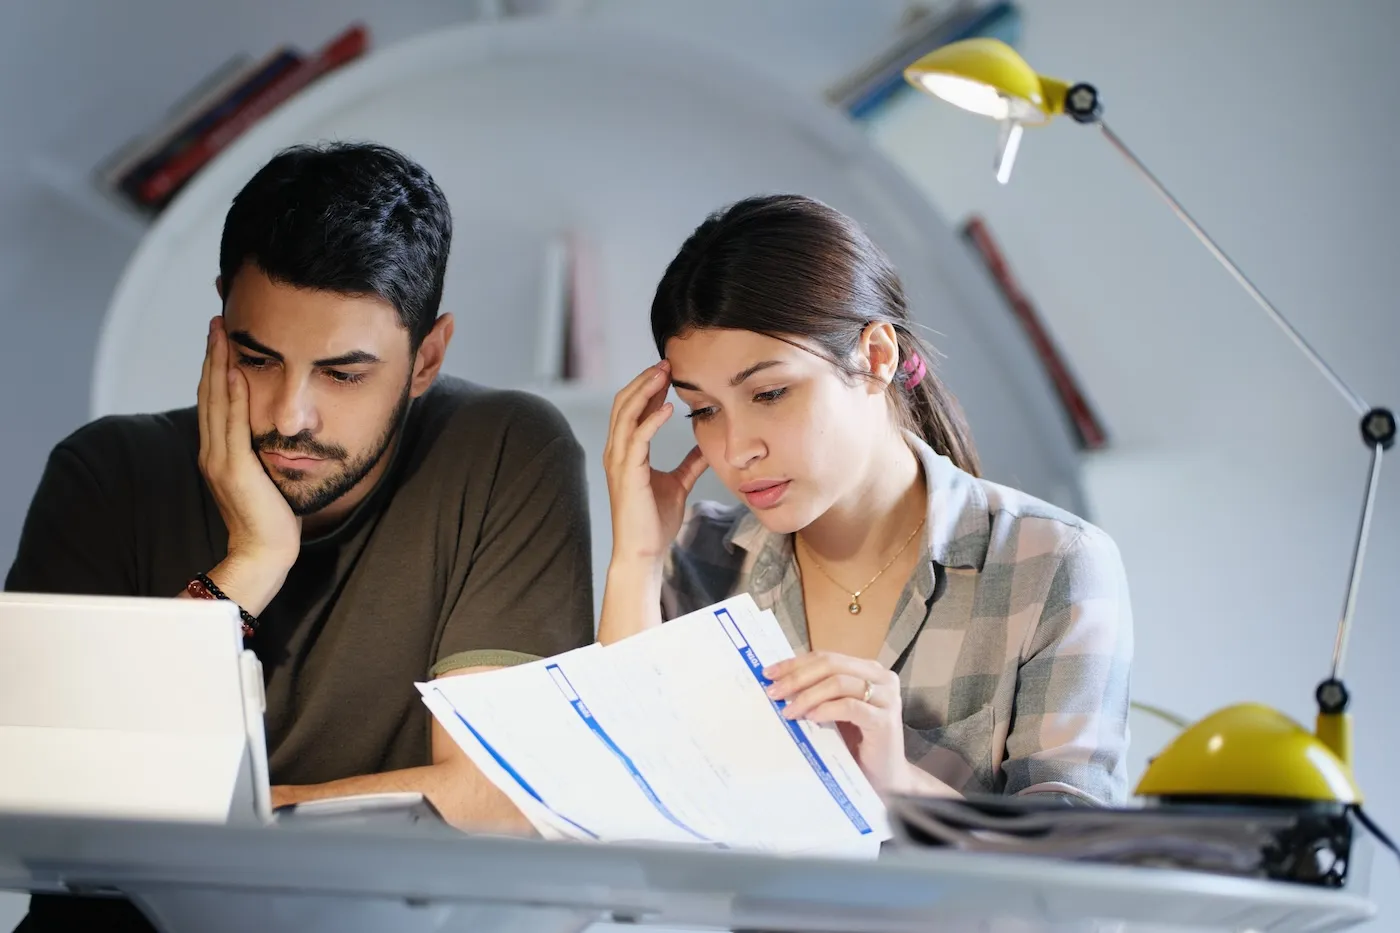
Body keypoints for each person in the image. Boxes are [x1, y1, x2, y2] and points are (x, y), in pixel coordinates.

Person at [7, 142, 594, 932]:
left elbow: (495, 796)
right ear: (219, 324)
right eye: (257, 358)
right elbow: (53, 799)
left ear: (427, 356)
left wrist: (211, 822)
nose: (290, 415)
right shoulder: (106, 472)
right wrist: (249, 564)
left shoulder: (503, 451)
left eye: (343, 374)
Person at [600, 194, 1132, 806]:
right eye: (704, 411)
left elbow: (1069, 875)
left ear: (876, 356)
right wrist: (637, 557)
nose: (736, 449)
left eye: (770, 393)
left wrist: (901, 781)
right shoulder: (696, 560)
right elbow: (621, 805)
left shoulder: (1050, 563)